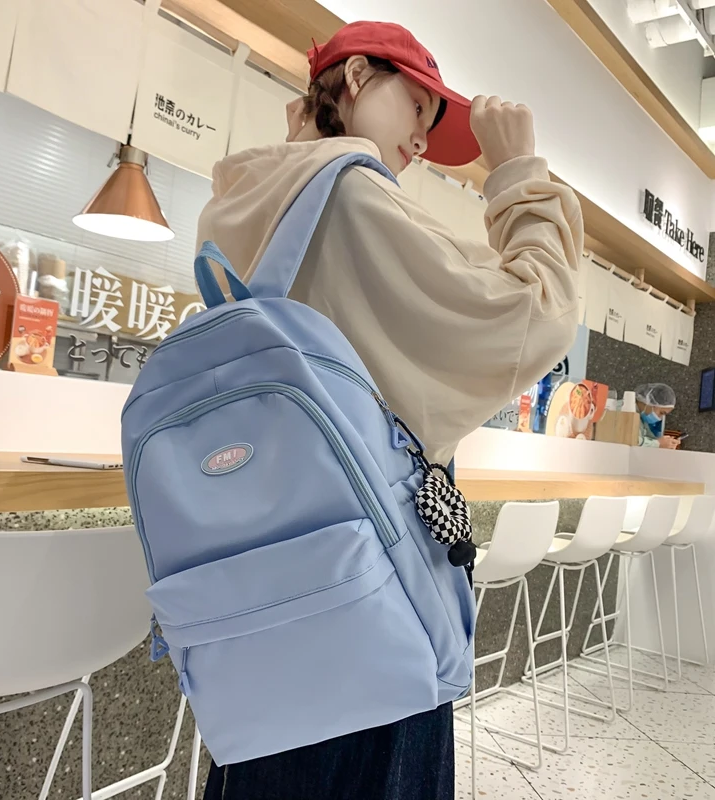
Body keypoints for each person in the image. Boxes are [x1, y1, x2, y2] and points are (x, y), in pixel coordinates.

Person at [197, 20, 582, 800]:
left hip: (261, 583)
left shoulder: (245, 203)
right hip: (364, 589)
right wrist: (518, 176)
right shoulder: (349, 193)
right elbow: (530, 314)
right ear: (356, 78)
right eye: (417, 106)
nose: (422, 137)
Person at [636, 383, 679, 449]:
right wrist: (657, 444)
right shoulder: (623, 410)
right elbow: (629, 441)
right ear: (649, 402)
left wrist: (667, 442)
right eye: (661, 413)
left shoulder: (641, 418)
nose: (660, 418)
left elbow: (648, 438)